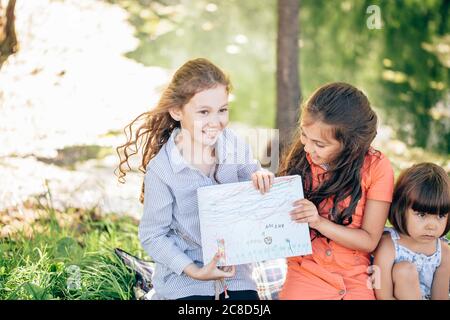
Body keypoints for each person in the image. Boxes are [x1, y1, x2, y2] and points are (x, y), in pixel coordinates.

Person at [116, 58, 274, 300]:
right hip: (187, 279)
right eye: (204, 112)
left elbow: (253, 179)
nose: (216, 122)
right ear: (177, 111)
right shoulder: (163, 170)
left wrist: (261, 177)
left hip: (235, 273)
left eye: (222, 110)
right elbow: (153, 235)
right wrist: (196, 271)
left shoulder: (234, 146)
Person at [278, 82, 394, 300]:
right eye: (304, 135)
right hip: (307, 270)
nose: (307, 148)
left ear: (350, 145)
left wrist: (318, 221)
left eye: (319, 145)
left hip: (355, 276)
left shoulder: (377, 167)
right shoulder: (301, 162)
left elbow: (369, 240)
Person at [373, 163, 450, 300]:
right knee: (404, 270)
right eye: (421, 214)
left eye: (441, 216)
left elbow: (440, 297)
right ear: (401, 208)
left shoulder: (443, 252)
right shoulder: (388, 246)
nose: (432, 226)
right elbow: (383, 296)